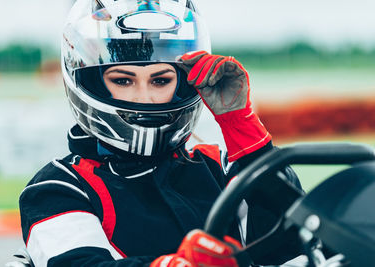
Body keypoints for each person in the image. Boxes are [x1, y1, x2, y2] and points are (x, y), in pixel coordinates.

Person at [19, 0, 304, 266]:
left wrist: (239, 122)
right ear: (90, 81)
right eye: (123, 80)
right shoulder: (58, 187)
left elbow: (297, 242)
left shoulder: (218, 167)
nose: (145, 98)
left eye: (160, 81)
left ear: (183, 83)